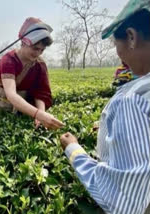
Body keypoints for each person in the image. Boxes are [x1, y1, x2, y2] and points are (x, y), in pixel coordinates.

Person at [60, 1, 150, 213]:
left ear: (131, 36)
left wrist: (74, 150)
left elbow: (126, 198)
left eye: (114, 44)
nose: (118, 53)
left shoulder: (133, 100)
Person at [0, 17, 64, 130]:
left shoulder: (40, 64)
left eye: (42, 50)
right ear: (23, 42)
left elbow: (41, 92)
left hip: (22, 111)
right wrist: (39, 114)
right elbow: (11, 94)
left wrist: (40, 114)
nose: (38, 53)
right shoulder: (9, 60)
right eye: (35, 48)